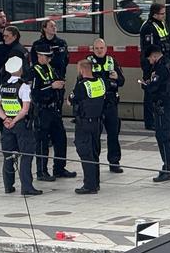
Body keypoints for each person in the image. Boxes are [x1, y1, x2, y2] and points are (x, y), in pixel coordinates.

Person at [0, 56, 41, 196]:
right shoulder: (23, 87)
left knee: (8, 156)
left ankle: (8, 186)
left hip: (7, 125)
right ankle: (27, 187)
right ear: (20, 69)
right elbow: (25, 108)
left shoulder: (3, 86)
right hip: (21, 125)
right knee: (26, 155)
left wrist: (6, 118)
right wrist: (14, 120)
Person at [30, 48, 76, 182]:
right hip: (42, 111)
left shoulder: (52, 69)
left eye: (47, 57)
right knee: (42, 142)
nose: (45, 59)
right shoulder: (33, 72)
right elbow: (34, 94)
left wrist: (60, 86)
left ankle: (59, 168)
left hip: (54, 110)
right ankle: (41, 171)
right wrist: (52, 87)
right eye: (42, 56)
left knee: (61, 139)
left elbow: (58, 84)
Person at [140, 44, 170, 182]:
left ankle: (167, 169)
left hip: (162, 105)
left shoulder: (161, 67)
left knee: (163, 137)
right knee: (169, 136)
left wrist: (145, 84)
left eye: (150, 59)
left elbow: (153, 87)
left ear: (155, 56)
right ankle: (169, 167)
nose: (150, 62)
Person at [84, 38, 125, 173]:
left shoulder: (112, 61)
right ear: (93, 49)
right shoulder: (88, 62)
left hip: (110, 103)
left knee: (113, 133)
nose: (99, 51)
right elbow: (82, 81)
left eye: (101, 48)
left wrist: (116, 78)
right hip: (95, 104)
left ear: (106, 49)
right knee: (94, 134)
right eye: (96, 48)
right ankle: (94, 162)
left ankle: (114, 162)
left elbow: (122, 81)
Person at [68, 59, 106, 194]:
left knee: (85, 153)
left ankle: (89, 185)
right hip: (97, 123)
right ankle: (95, 183)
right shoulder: (101, 82)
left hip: (84, 123)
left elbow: (70, 100)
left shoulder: (81, 86)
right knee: (95, 153)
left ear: (82, 70)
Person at [139, 3, 170, 130]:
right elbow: (149, 49)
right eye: (162, 14)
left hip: (162, 62)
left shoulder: (162, 24)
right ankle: (149, 121)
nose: (164, 16)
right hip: (151, 64)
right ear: (154, 14)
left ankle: (159, 117)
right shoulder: (148, 27)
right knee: (150, 91)